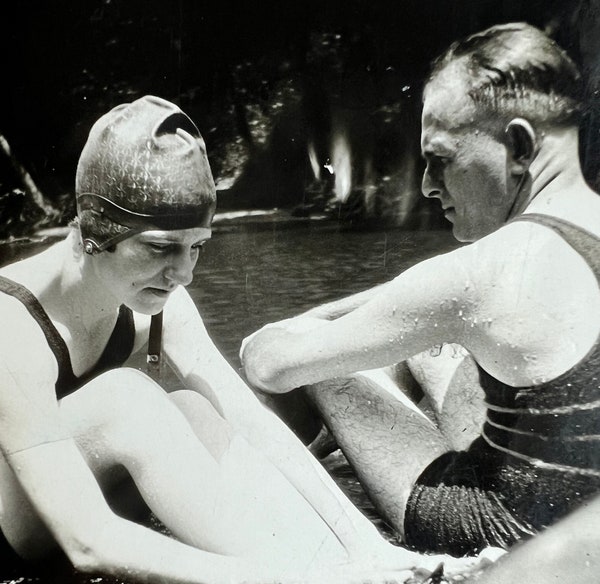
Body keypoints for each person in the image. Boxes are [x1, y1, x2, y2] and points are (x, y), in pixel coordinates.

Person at [0, 95, 446, 583]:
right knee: (125, 399)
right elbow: (88, 542)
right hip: (20, 536)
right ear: (93, 231)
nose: (183, 273)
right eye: (160, 248)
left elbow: (251, 423)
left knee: (195, 405)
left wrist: (370, 549)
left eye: (197, 248)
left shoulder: (159, 297)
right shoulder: (11, 325)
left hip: (88, 508)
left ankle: (343, 567)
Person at [241, 22, 600, 559]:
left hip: (507, 535)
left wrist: (291, 330)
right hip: (580, 517)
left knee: (327, 369)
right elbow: (424, 301)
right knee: (433, 350)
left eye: (441, 158)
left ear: (520, 146)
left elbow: (270, 364)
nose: (428, 185)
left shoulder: (481, 272)